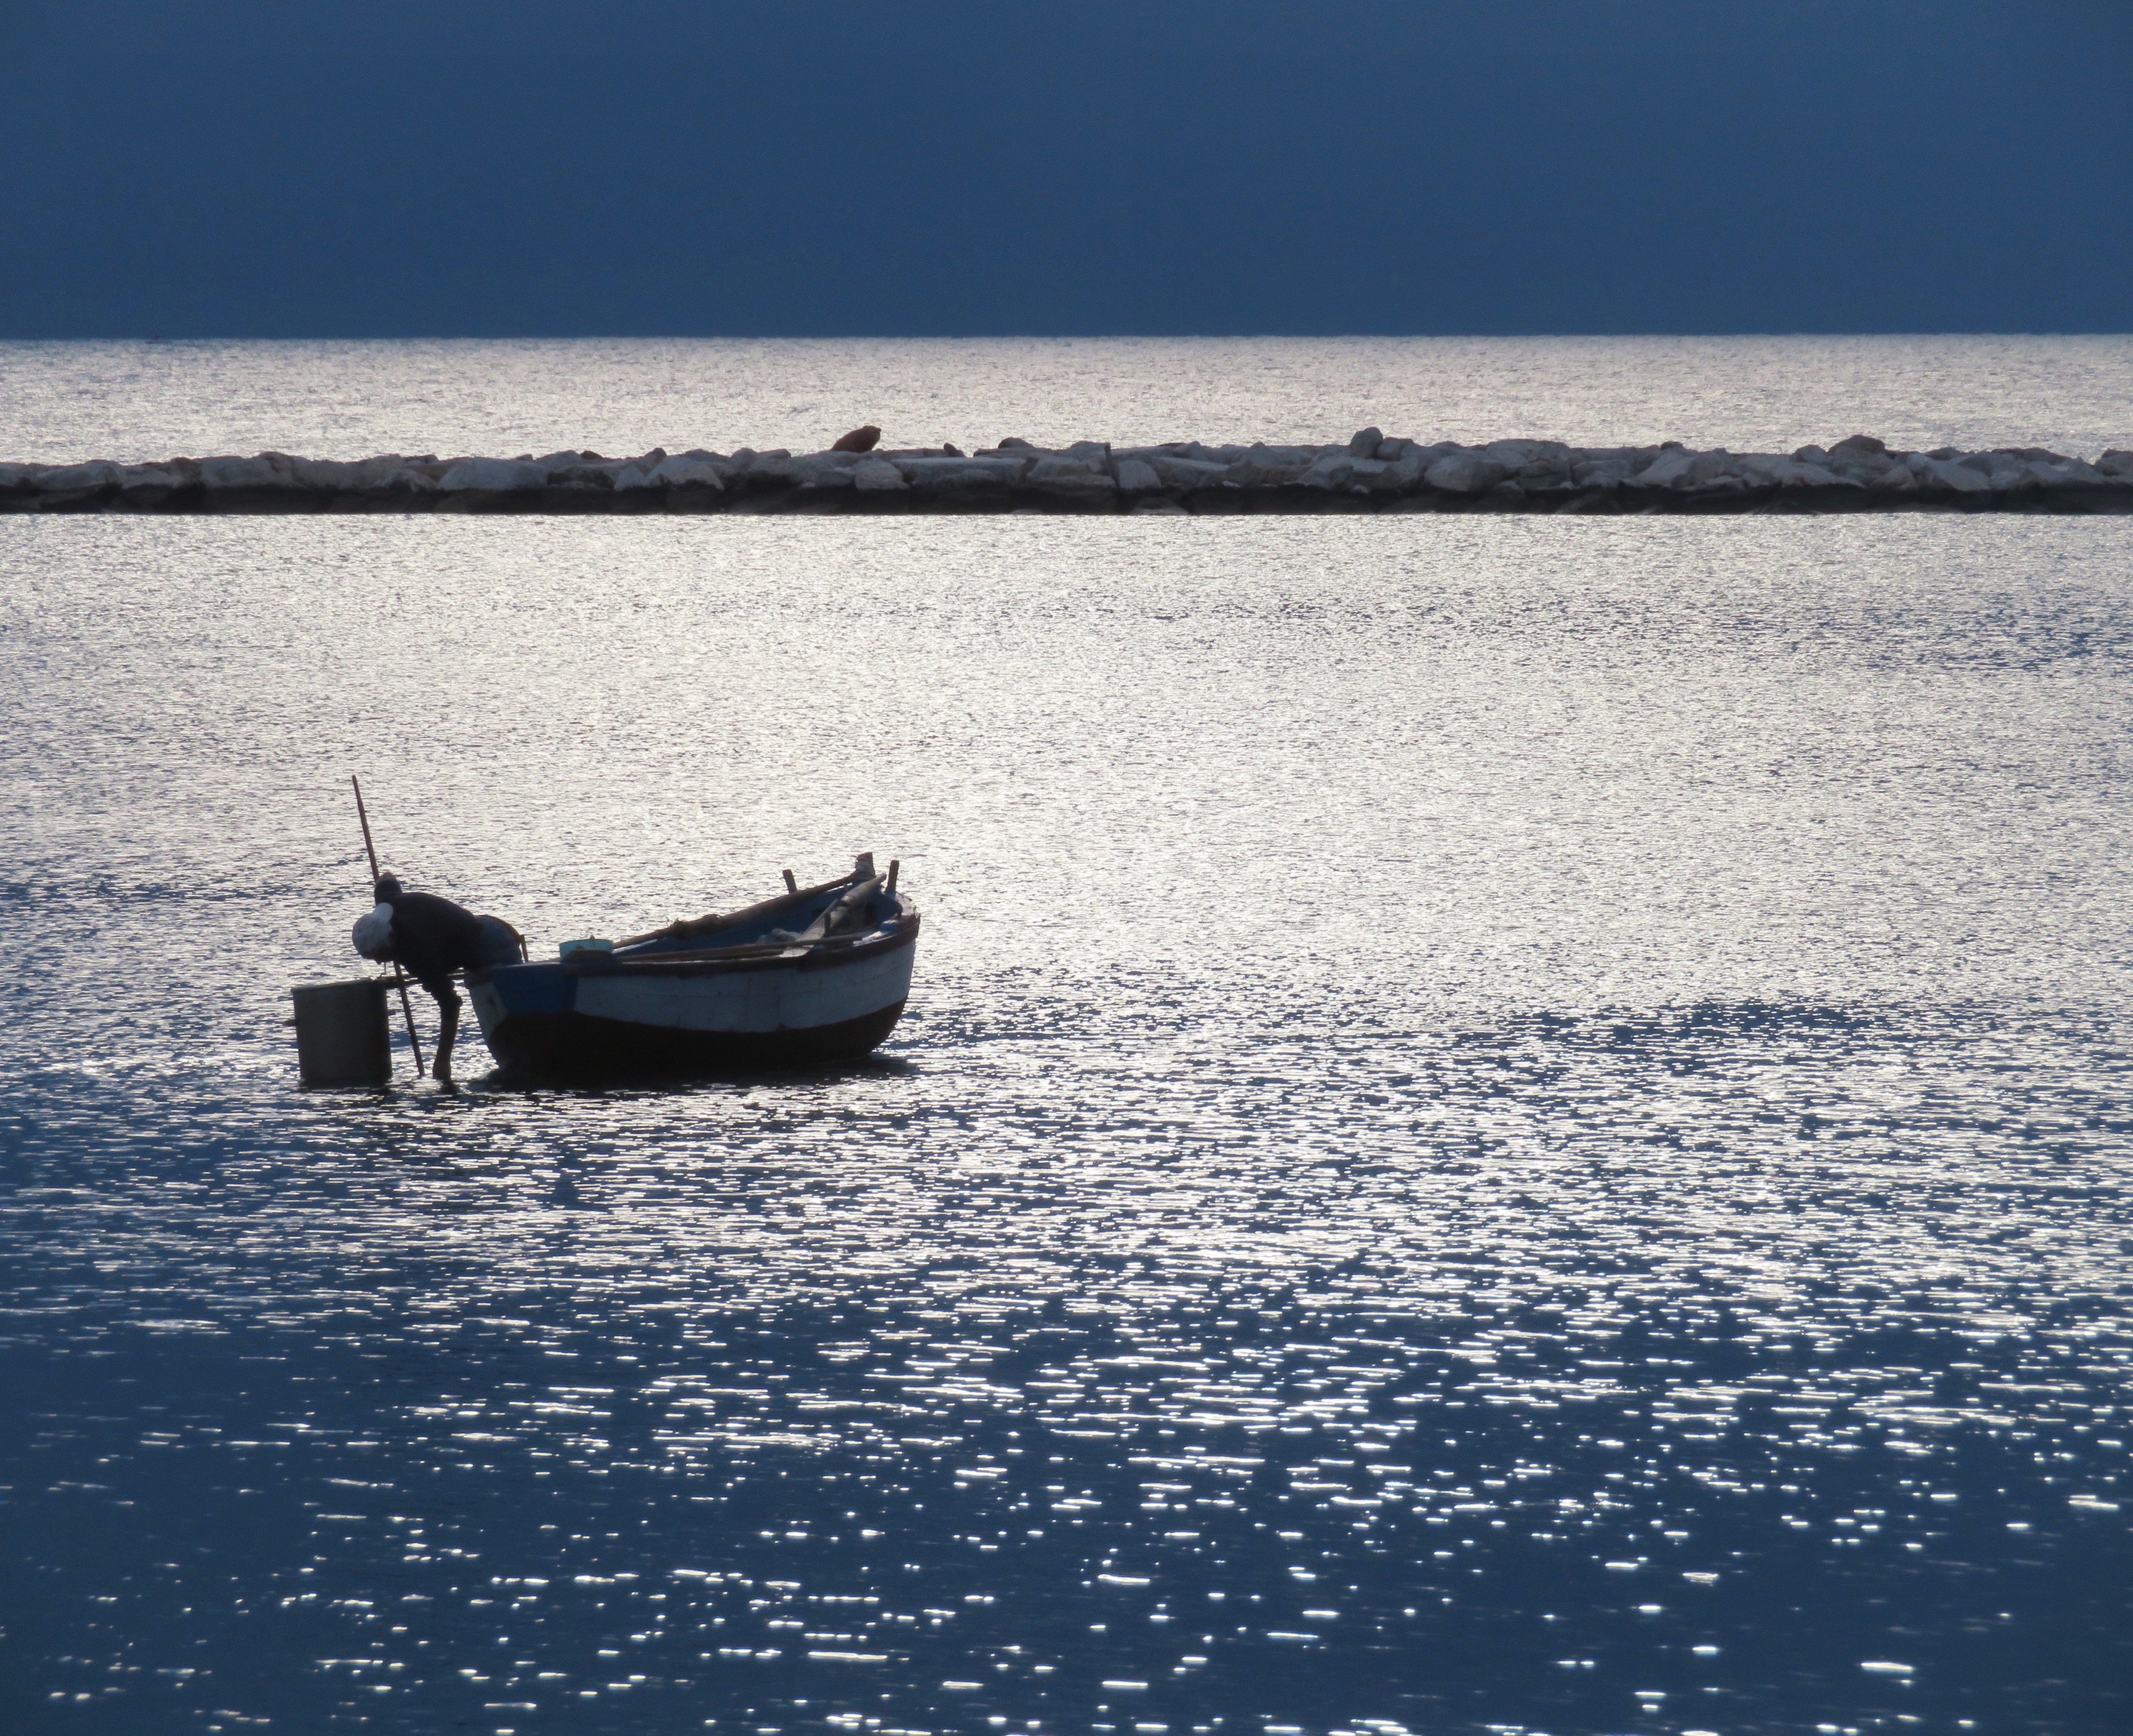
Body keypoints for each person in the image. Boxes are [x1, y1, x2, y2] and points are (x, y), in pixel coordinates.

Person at [352, 873, 522, 1082]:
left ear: (390, 939)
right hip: (475, 930)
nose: (379, 962)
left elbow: (450, 1003)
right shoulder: (385, 907)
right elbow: (387, 878)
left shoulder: (417, 953)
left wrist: (442, 1061)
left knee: (511, 1021)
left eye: (379, 955)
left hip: (492, 946)